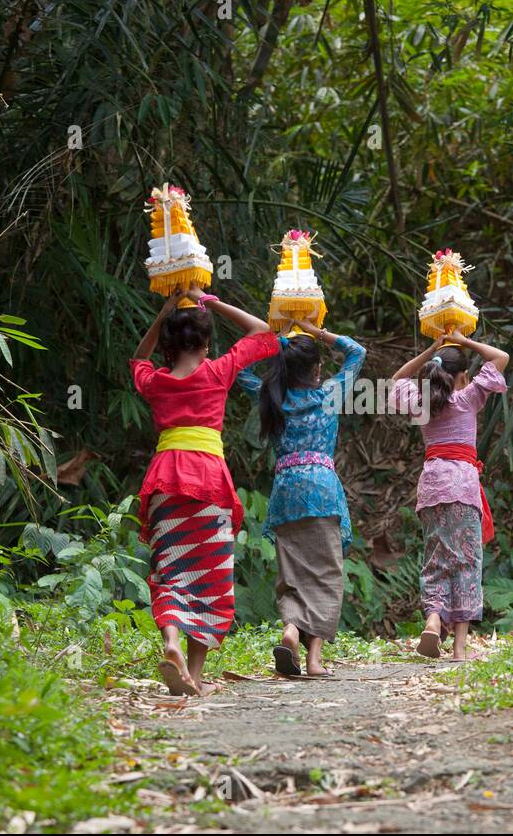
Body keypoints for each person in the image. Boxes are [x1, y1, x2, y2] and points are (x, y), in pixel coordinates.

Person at [130, 285, 277, 695]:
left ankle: (171, 643)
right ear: (207, 343)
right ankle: (194, 674)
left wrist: (164, 311)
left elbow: (138, 359)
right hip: (209, 481)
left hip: (166, 480)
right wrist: (211, 301)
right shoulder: (218, 371)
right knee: (211, 576)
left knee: (171, 572)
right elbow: (265, 332)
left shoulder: (156, 382)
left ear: (169, 343)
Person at [236, 319, 366, 676]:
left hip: (286, 492)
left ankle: (291, 629)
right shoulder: (329, 394)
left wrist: (276, 341)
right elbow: (357, 352)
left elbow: (237, 367)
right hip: (322, 490)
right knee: (325, 574)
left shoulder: (271, 398)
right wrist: (317, 330)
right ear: (318, 367)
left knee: (291, 573)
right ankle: (313, 660)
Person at [389, 327, 509, 661]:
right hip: (463, 486)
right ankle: (459, 648)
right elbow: (501, 358)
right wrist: (464, 340)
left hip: (431, 487)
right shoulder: (469, 398)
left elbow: (397, 378)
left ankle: (432, 619)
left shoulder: (421, 403)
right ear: (462, 376)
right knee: (466, 563)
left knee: (437, 559)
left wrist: (432, 349)